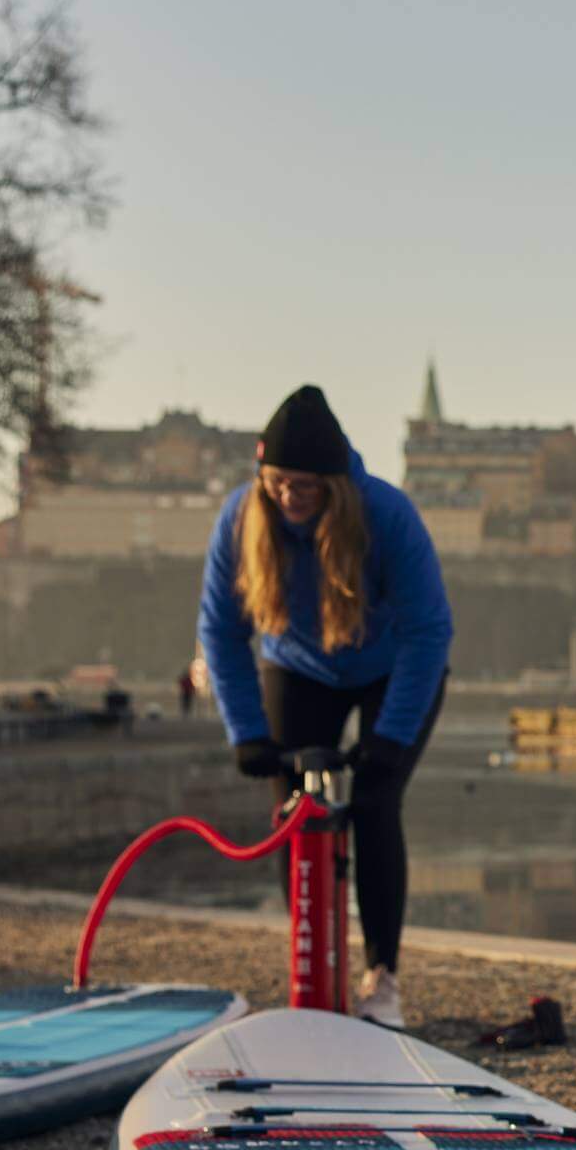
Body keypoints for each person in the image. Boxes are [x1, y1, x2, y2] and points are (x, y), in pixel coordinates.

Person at [198, 385, 454, 1031]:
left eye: (307, 486)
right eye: (279, 482)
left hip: (390, 665)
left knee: (374, 801)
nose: (290, 497)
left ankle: (382, 978)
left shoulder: (386, 515)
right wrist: (248, 732)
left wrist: (391, 736)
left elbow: (429, 631)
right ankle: (311, 969)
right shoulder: (239, 519)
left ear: (335, 486)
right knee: (295, 811)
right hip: (299, 666)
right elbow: (221, 630)